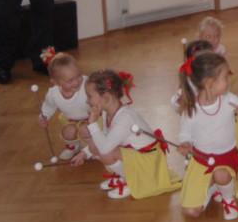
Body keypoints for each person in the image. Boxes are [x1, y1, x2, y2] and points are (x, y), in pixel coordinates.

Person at [72, 70, 181, 200]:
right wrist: (85, 153)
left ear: (106, 97)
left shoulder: (125, 118)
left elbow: (105, 149)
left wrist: (92, 123)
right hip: (136, 156)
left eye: (90, 96)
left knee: (106, 153)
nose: (87, 101)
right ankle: (125, 176)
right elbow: (104, 139)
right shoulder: (107, 112)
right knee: (96, 147)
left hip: (147, 163)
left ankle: (130, 180)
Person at [176, 53, 238, 221]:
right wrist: (184, 143)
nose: (228, 81)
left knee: (221, 174)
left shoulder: (229, 100)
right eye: (225, 78)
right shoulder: (191, 108)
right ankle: (213, 187)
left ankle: (228, 199)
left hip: (226, 158)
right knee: (191, 212)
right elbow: (185, 133)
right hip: (201, 160)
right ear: (209, 83)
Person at [38, 50, 90, 160]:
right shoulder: (53, 94)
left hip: (92, 119)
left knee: (85, 130)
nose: (76, 82)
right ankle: (73, 147)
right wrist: (44, 116)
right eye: (70, 81)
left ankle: (90, 148)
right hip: (71, 120)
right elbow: (48, 106)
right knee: (68, 132)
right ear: (56, 82)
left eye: (78, 76)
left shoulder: (87, 84)